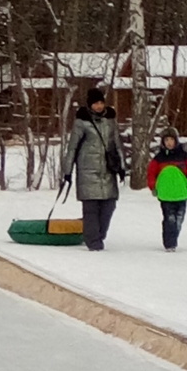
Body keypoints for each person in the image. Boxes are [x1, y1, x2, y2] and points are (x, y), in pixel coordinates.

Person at [61, 84, 125, 251]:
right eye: (95, 103)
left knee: (109, 206)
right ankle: (93, 243)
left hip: (108, 172)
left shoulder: (110, 122)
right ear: (90, 105)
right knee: (91, 210)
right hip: (87, 172)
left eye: (101, 103)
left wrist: (122, 168)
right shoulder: (81, 123)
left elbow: (117, 145)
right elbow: (72, 148)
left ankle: (98, 236)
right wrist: (67, 172)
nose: (99, 106)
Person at [147, 126, 187, 250]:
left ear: (176, 141)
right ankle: (170, 243)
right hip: (165, 195)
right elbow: (151, 173)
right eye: (166, 140)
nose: (169, 143)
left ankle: (173, 238)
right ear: (163, 142)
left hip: (181, 193)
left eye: (171, 140)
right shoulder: (159, 158)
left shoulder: (184, 156)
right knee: (169, 218)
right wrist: (153, 186)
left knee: (179, 219)